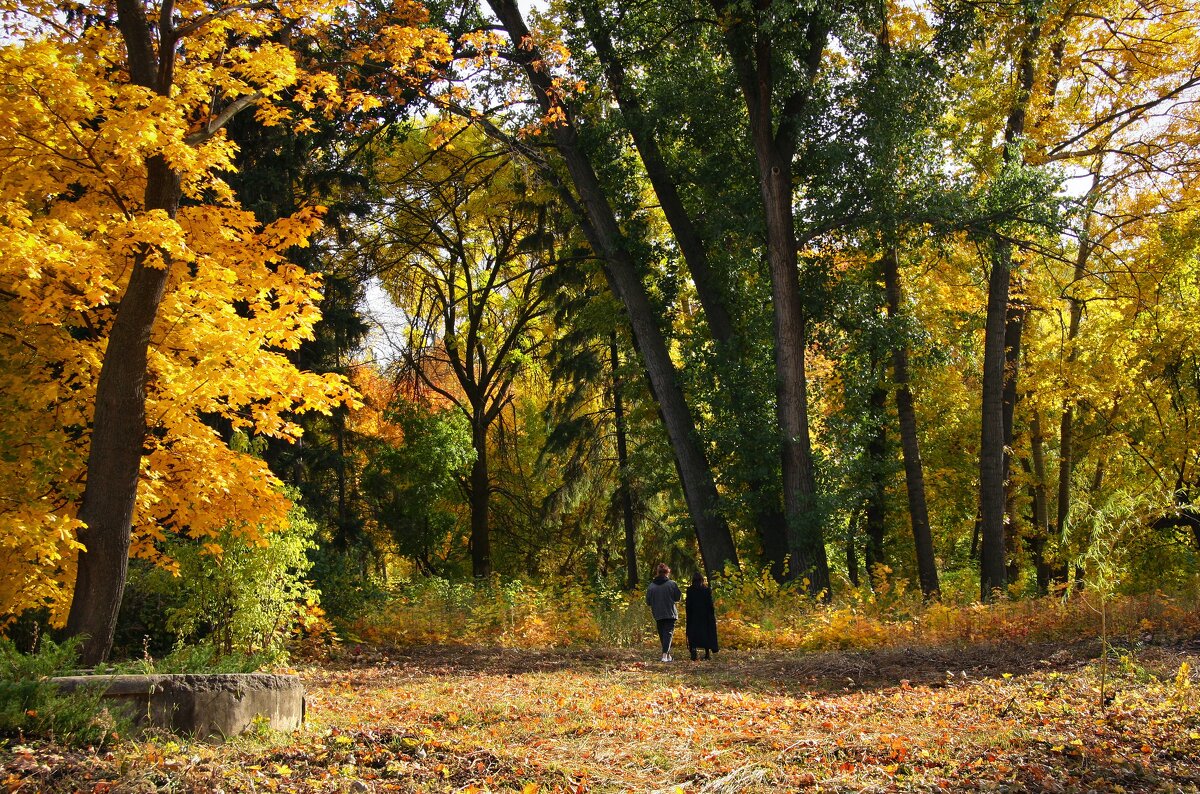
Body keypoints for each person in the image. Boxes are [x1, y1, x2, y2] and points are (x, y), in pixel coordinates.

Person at [645, 562, 681, 662]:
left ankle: (667, 655)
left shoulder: (651, 586)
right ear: (667, 572)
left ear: (658, 572)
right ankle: (665, 655)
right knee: (668, 633)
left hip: (657, 613)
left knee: (662, 634)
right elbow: (677, 598)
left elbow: (648, 602)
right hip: (670, 613)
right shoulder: (672, 584)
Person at [685, 571, 719, 660]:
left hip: (693, 615)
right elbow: (710, 604)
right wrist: (711, 615)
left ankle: (693, 650)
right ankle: (707, 653)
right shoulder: (706, 590)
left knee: (693, 633)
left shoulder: (690, 590)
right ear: (702, 580)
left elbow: (688, 604)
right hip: (705, 616)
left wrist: (688, 614)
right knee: (706, 633)